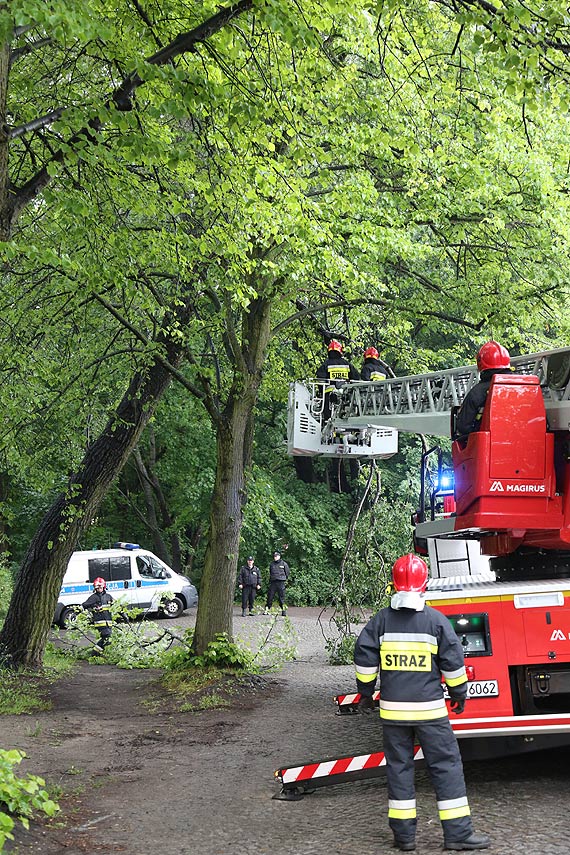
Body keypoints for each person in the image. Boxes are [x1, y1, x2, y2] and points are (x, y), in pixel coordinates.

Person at [354, 554, 490, 852]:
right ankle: (457, 834)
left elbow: (364, 657)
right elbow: (453, 663)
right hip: (430, 712)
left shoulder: (380, 621)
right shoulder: (436, 621)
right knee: (446, 766)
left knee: (399, 768)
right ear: (424, 585)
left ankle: (404, 837)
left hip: (392, 712)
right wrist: (459, 694)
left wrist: (365, 692)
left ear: (393, 584)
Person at [454, 341, 512, 439]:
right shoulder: (528, 387)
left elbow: (463, 427)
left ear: (480, 363)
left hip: (487, 446)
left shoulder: (477, 393)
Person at [316, 340, 360, 420]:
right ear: (340, 351)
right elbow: (356, 378)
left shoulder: (325, 364)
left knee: (327, 419)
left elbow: (320, 381)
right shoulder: (347, 364)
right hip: (346, 397)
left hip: (329, 397)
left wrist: (321, 393)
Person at [82, 577, 114, 654]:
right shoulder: (93, 597)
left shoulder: (108, 597)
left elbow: (116, 606)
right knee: (107, 637)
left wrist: (123, 614)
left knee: (108, 639)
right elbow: (84, 605)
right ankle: (95, 653)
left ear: (104, 586)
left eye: (101, 587)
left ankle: (99, 653)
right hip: (100, 623)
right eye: (97, 587)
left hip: (108, 623)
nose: (99, 588)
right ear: (95, 588)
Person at [265, 550, 290, 616]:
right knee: (270, 596)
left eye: (276, 556)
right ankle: (267, 610)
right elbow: (270, 572)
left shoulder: (284, 563)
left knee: (281, 597)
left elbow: (287, 573)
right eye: (274, 556)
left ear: (279, 556)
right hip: (273, 582)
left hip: (281, 582)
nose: (275, 557)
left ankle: (283, 611)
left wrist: (283, 579)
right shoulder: (272, 564)